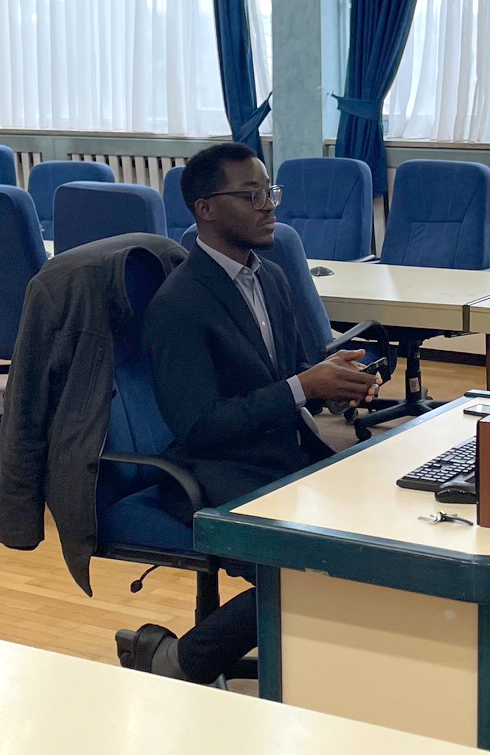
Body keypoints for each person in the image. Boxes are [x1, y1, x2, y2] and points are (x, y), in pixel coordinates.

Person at [117, 142, 380, 683]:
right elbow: (198, 426)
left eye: (270, 192)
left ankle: (336, 666)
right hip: (213, 473)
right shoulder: (180, 304)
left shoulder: (270, 278)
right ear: (206, 209)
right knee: (309, 567)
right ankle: (177, 662)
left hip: (280, 456)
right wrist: (302, 386)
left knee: (380, 533)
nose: (269, 207)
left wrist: (333, 385)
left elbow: (284, 375)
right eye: (252, 195)